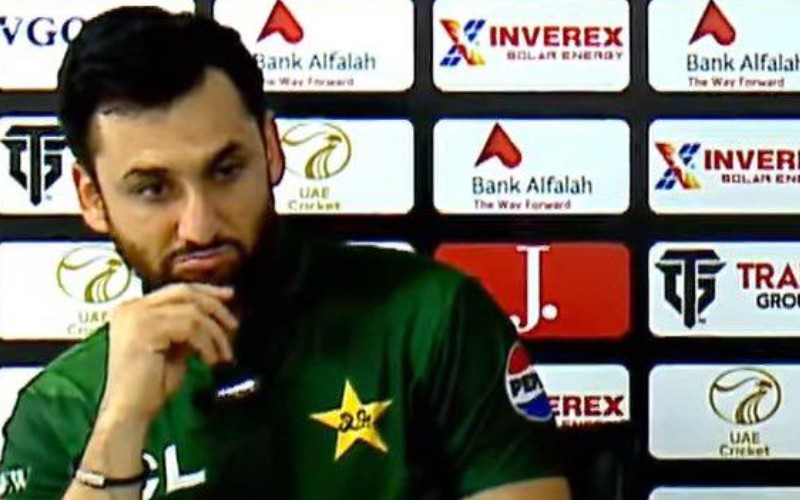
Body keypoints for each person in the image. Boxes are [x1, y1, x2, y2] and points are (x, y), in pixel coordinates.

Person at [0, 7, 571, 500]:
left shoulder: (432, 317)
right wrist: (120, 425)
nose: (199, 226)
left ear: (272, 149)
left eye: (226, 171)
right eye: (152, 189)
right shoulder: (60, 409)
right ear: (91, 198)